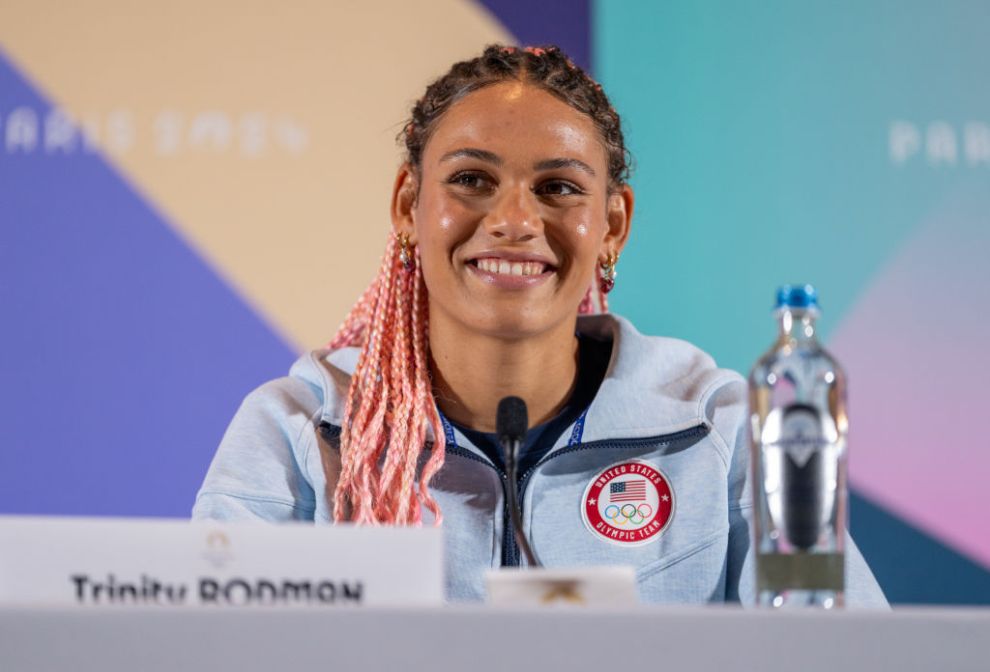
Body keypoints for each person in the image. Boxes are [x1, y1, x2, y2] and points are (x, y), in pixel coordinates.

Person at [193, 44, 887, 607]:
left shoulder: (722, 430)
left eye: (558, 188)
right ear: (408, 205)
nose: (515, 222)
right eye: (471, 179)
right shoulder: (296, 430)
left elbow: (850, 650)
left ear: (612, 225)